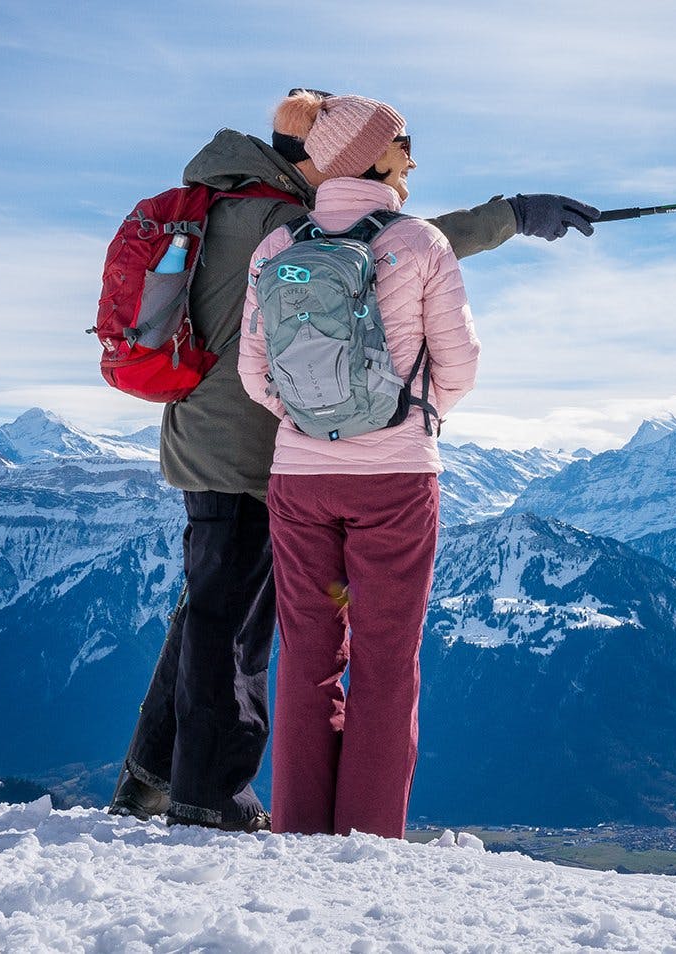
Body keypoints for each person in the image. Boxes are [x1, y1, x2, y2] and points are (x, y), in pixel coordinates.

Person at [109, 90, 597, 832]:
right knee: (239, 621)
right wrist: (513, 217)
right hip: (264, 449)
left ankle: (153, 774)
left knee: (213, 607)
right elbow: (413, 241)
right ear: (311, 154)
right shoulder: (281, 222)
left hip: (211, 436)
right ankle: (209, 795)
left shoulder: (216, 207)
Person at [236, 92, 466, 838]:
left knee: (306, 650)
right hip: (396, 478)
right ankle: (369, 837)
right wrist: (403, 422)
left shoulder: (276, 248)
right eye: (404, 140)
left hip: (300, 480)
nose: (414, 156)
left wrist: (314, 427)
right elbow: (459, 365)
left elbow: (254, 375)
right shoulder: (421, 242)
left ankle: (298, 826)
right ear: (371, 152)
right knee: (387, 654)